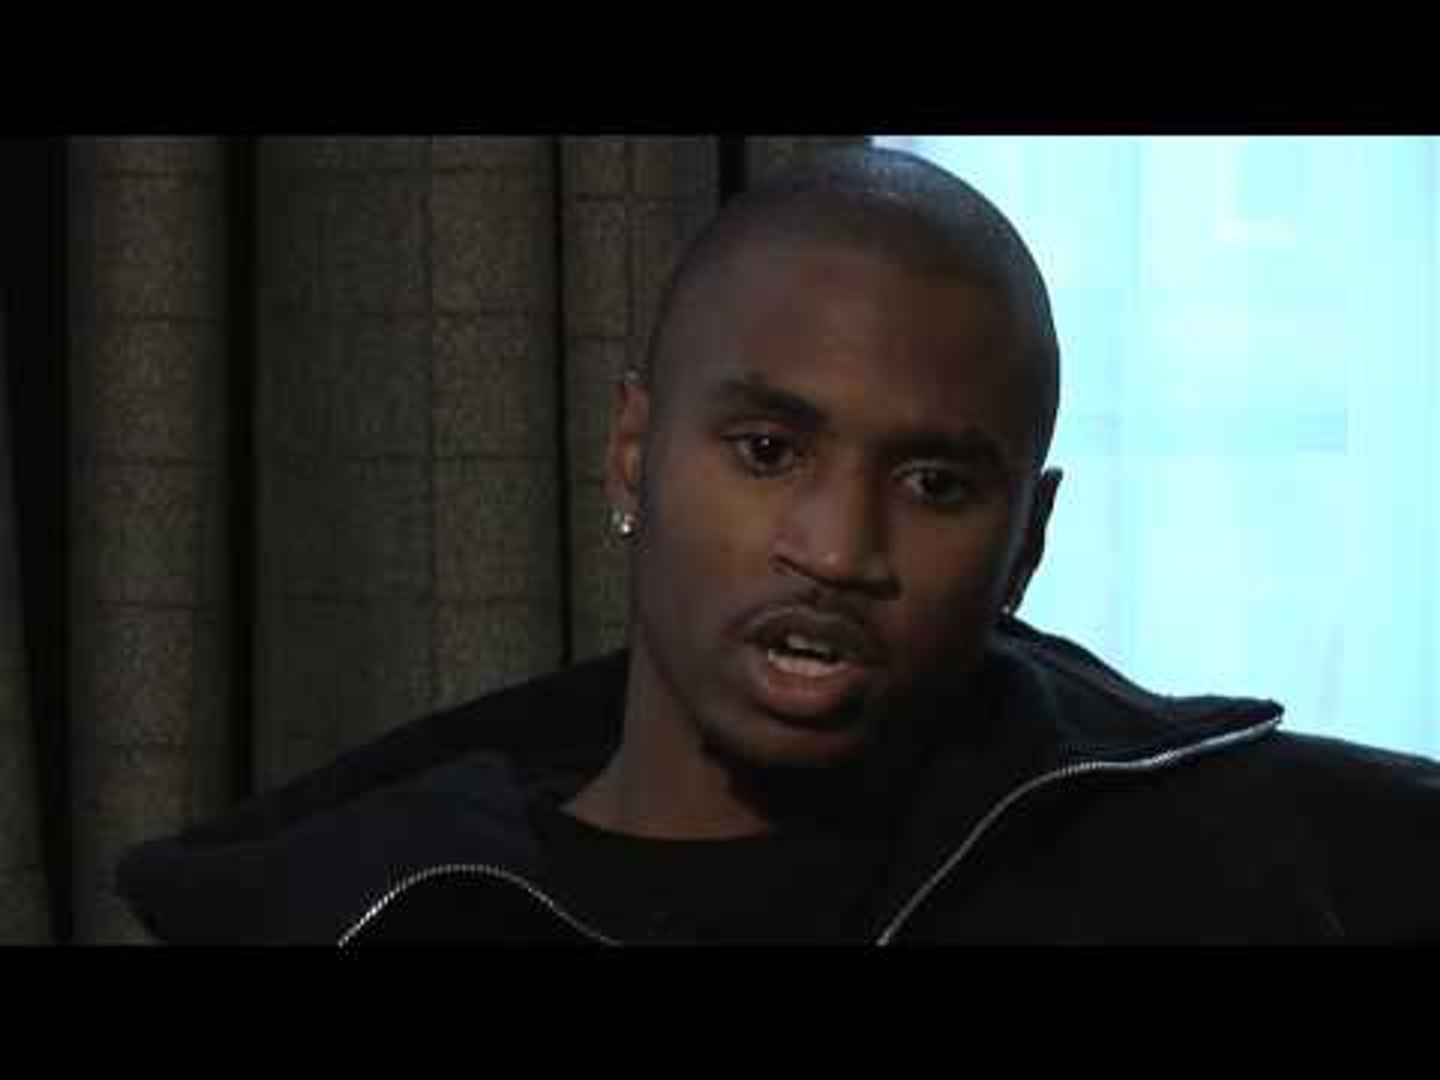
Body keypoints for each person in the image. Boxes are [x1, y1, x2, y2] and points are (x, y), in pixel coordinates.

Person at [117, 145, 1440, 944]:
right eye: (767, 451)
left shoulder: (1210, 852)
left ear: (1027, 543)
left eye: (934, 482)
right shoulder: (376, 909)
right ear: (634, 452)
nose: (840, 549)